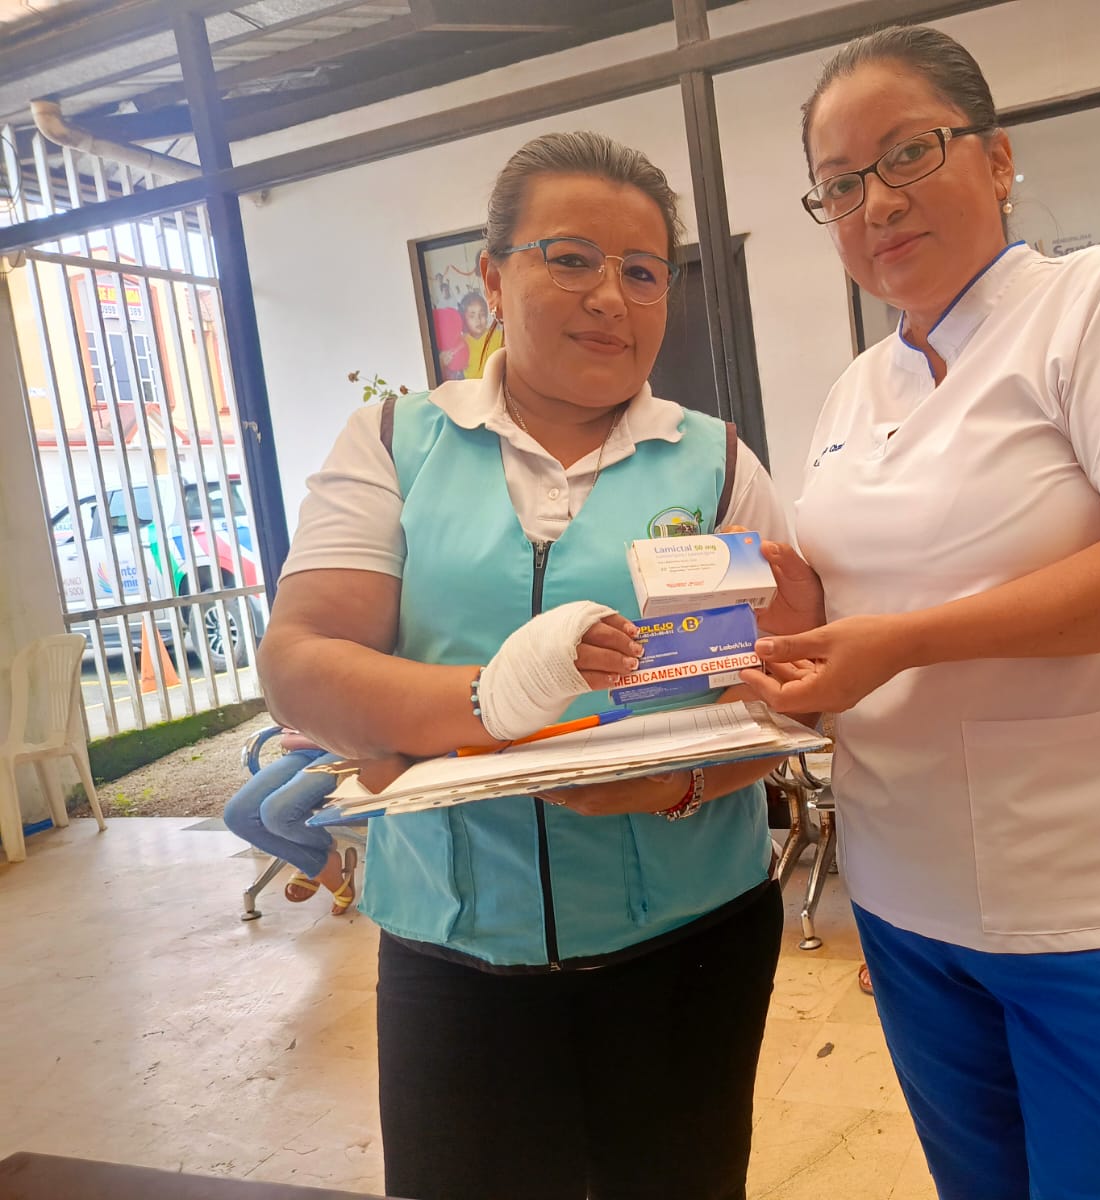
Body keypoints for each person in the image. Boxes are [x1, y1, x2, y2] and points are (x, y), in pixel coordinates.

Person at [742, 27, 1100, 1200]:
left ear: (998, 156)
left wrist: (900, 641)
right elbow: (872, 599)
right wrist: (799, 610)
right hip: (906, 898)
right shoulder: (854, 389)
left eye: (906, 153)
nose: (875, 201)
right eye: (838, 183)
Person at [258, 131, 790, 1200]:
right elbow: (302, 661)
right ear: (492, 277)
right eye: (571, 258)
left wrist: (681, 784)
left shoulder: (719, 462)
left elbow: (778, 699)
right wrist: (505, 698)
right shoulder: (395, 444)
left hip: (690, 939)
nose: (610, 298)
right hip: (454, 949)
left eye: (643, 272)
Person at [221, 727, 354, 914]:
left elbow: (362, 735)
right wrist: (316, 738)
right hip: (303, 751)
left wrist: (311, 737)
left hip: (348, 751)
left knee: (277, 813)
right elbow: (287, 738)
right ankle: (319, 859)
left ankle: (316, 862)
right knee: (237, 815)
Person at [457, 290, 504, 379]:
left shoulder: (498, 336)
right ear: (464, 319)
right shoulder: (461, 342)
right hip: (472, 386)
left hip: (497, 383)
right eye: (472, 316)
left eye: (482, 314)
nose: (478, 320)